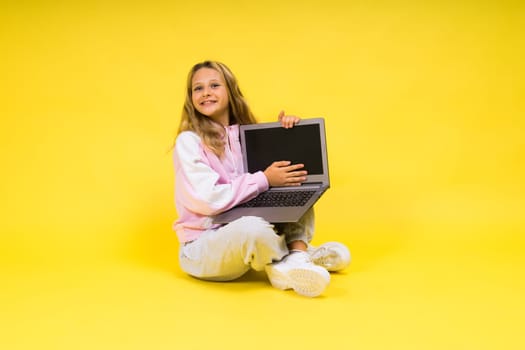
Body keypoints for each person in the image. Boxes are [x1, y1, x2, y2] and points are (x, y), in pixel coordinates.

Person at [172, 60, 350, 297]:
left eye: (214, 85)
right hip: (204, 246)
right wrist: (264, 179)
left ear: (230, 90)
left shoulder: (248, 135)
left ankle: (296, 256)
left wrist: (288, 135)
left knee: (295, 188)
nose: (206, 93)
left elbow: (282, 174)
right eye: (198, 88)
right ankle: (289, 258)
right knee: (252, 229)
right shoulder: (189, 141)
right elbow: (208, 199)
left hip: (245, 230)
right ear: (190, 97)